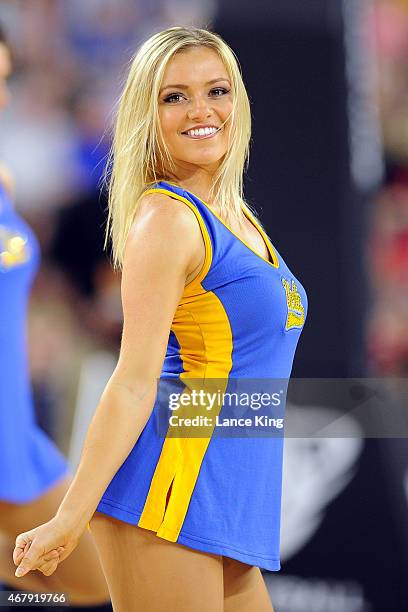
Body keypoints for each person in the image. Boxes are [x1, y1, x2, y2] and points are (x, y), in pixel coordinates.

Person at [12, 26, 308, 611]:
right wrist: (71, 516)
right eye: (175, 96)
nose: (201, 110)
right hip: (169, 497)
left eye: (216, 91)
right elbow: (132, 380)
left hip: (225, 500)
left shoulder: (234, 214)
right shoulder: (168, 220)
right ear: (149, 114)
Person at [0, 22, 111, 608]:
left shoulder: (4, 180)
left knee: (87, 585)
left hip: (16, 429)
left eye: (5, 78)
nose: (4, 96)